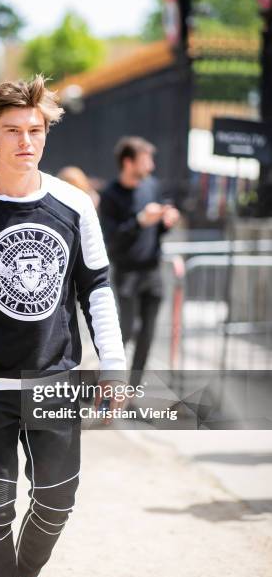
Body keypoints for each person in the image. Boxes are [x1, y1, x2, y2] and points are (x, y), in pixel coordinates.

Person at [0, 75, 126, 577]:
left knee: (58, 502)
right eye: (12, 131)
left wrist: (115, 364)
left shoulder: (75, 205)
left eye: (34, 130)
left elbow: (98, 290)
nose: (25, 142)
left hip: (55, 378)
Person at [100, 136, 180, 389]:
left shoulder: (152, 187)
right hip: (126, 274)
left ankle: (132, 393)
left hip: (152, 272)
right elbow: (111, 241)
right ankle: (108, 387)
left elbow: (158, 231)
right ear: (128, 162)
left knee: (147, 337)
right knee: (123, 333)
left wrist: (167, 221)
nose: (152, 166)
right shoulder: (110, 195)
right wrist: (139, 221)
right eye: (146, 160)